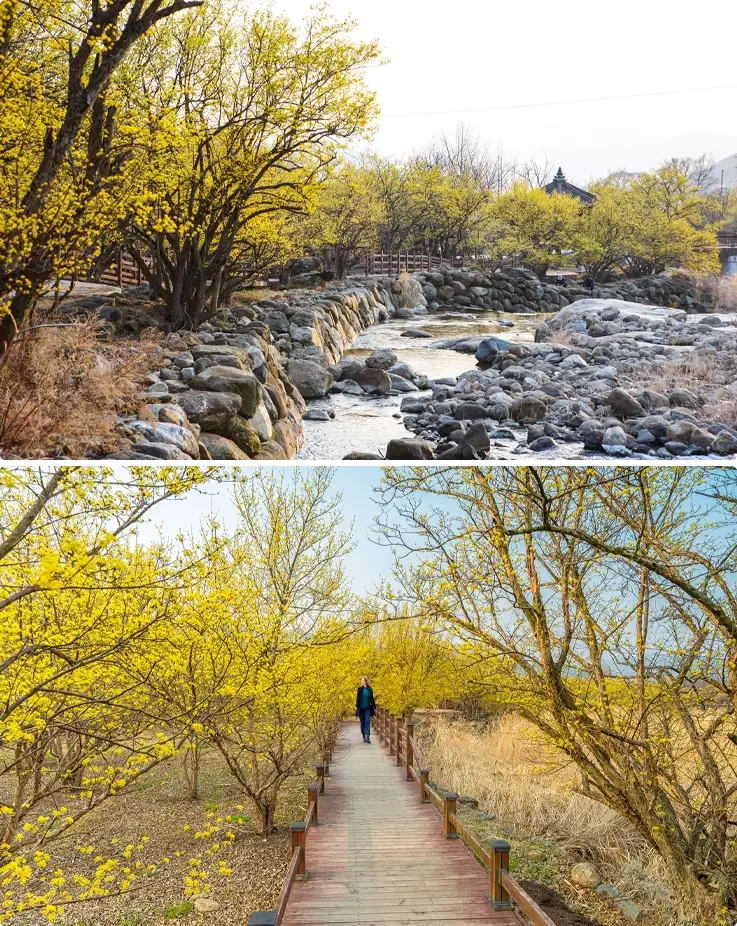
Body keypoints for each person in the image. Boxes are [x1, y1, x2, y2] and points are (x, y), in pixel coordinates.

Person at [355, 676, 376, 743]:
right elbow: (357, 699)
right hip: (361, 708)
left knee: (367, 721)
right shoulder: (360, 689)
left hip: (368, 708)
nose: (362, 682)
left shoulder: (370, 689)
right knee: (362, 723)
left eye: (363, 680)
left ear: (366, 681)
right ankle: (364, 735)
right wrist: (356, 707)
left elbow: (372, 699)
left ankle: (368, 736)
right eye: (362, 681)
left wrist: (374, 707)